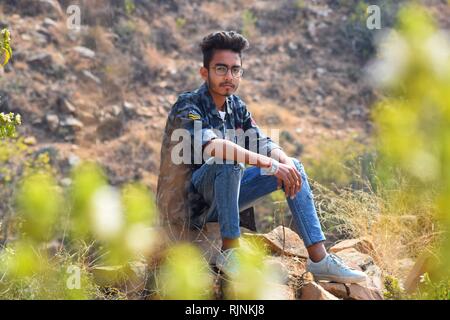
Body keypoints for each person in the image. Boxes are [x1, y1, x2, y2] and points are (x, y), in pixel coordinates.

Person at [158, 30, 367, 283]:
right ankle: (230, 252)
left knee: (294, 165)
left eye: (236, 70)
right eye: (221, 69)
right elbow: (213, 146)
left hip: (220, 201)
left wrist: (284, 161)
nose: (229, 76)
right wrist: (269, 163)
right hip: (187, 208)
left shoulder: (236, 106)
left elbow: (261, 141)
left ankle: (319, 260)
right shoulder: (188, 105)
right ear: (205, 72)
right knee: (228, 157)